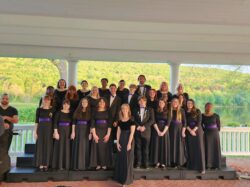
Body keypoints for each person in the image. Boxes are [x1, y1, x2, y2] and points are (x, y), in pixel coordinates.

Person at [114, 104, 136, 186]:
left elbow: (132, 133)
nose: (124, 110)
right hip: (121, 140)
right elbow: (118, 132)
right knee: (121, 159)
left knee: (127, 160)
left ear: (128, 109)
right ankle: (120, 178)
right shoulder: (119, 120)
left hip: (128, 140)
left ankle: (126, 181)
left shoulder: (132, 120)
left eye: (126, 108)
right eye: (122, 108)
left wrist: (129, 143)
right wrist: (117, 143)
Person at [90, 98, 112, 170]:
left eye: (103, 102)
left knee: (104, 147)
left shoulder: (108, 111)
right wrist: (94, 134)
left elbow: (109, 124)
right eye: (100, 102)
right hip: (97, 131)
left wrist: (108, 134)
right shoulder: (94, 111)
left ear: (105, 103)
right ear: (98, 103)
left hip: (105, 131)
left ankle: (104, 163)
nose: (102, 103)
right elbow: (92, 123)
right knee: (97, 148)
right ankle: (98, 164)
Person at [0, 93, 18, 178]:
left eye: (6, 99)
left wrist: (6, 117)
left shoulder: (13, 110)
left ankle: (5, 171)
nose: (4, 100)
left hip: (7, 134)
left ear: (8, 100)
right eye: (3, 98)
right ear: (1, 99)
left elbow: (16, 120)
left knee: (5, 152)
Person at [34, 95, 54, 171]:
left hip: (49, 129)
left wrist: (54, 132)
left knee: (48, 146)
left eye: (48, 100)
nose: (46, 101)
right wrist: (35, 132)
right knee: (40, 145)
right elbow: (36, 121)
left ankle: (46, 163)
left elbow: (54, 121)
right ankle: (40, 163)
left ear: (50, 101)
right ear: (43, 100)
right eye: (45, 100)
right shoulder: (39, 109)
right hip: (41, 129)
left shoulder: (52, 110)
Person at [134, 96, 155, 169]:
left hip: (146, 132)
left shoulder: (150, 109)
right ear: (138, 102)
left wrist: (144, 127)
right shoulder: (135, 110)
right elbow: (133, 119)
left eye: (143, 101)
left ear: (146, 102)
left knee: (146, 148)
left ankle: (146, 164)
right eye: (140, 101)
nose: (142, 102)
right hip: (137, 131)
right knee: (138, 148)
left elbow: (152, 120)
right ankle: (138, 163)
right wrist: (138, 126)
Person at [71, 98, 92, 170]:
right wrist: (73, 132)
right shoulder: (77, 111)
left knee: (84, 147)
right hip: (78, 130)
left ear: (88, 103)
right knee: (77, 146)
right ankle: (76, 165)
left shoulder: (90, 112)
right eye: (83, 102)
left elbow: (90, 124)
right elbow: (74, 123)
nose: (84, 103)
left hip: (86, 131)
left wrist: (90, 133)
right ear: (81, 103)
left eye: (86, 102)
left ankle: (84, 165)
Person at [185, 99, 205, 174]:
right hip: (189, 131)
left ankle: (202, 168)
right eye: (188, 103)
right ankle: (192, 166)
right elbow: (185, 123)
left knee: (199, 149)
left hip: (197, 131)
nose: (189, 104)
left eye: (191, 103)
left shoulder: (198, 111)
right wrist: (190, 130)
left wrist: (194, 130)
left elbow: (199, 122)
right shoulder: (185, 112)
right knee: (191, 149)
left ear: (193, 104)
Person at [150, 99, 170, 168]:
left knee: (163, 146)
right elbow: (154, 121)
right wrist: (158, 131)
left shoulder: (168, 111)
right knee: (156, 146)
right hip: (156, 130)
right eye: (160, 102)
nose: (161, 103)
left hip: (165, 130)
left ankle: (163, 162)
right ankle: (157, 162)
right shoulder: (155, 111)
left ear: (165, 103)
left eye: (162, 102)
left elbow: (168, 123)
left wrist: (163, 132)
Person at [52, 100, 72, 170]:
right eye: (64, 104)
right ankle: (59, 165)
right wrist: (56, 132)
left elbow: (73, 124)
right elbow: (55, 123)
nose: (66, 105)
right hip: (60, 131)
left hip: (68, 132)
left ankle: (66, 165)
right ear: (62, 105)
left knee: (67, 148)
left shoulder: (71, 113)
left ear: (69, 105)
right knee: (60, 148)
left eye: (67, 104)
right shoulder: (58, 113)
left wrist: (72, 132)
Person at [167, 98, 186, 168]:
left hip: (179, 129)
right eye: (173, 102)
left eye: (176, 102)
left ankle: (179, 162)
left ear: (178, 103)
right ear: (171, 103)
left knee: (179, 145)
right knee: (172, 145)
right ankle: (172, 161)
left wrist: (183, 131)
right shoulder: (170, 110)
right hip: (171, 129)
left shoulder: (181, 110)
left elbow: (185, 122)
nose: (175, 103)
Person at [202, 102, 221, 169]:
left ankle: (215, 165)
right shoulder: (202, 115)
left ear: (212, 107)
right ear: (205, 107)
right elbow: (201, 125)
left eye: (210, 106)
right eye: (207, 106)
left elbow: (219, 126)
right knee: (207, 149)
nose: (209, 107)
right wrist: (205, 130)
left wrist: (215, 131)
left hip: (215, 134)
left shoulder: (216, 115)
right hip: (207, 134)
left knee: (215, 149)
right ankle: (208, 165)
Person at [107, 84, 121, 152]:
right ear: (109, 89)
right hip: (106, 120)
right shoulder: (105, 97)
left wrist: (116, 121)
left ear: (116, 89)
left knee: (114, 136)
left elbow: (118, 111)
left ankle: (114, 151)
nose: (112, 89)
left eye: (114, 88)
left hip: (113, 121)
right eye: (111, 88)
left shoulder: (119, 99)